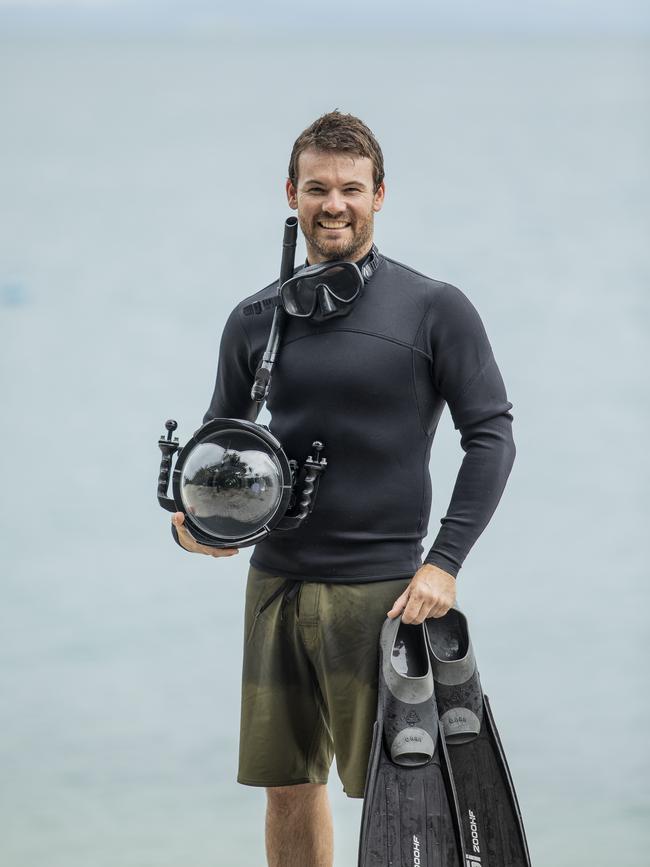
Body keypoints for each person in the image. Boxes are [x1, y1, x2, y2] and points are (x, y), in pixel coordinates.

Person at [170, 111, 515, 867]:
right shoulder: (254, 320)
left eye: (351, 189)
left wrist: (444, 562)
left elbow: (491, 433)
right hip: (277, 587)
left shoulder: (434, 308)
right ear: (290, 192)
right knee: (288, 786)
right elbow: (216, 449)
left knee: (408, 791)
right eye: (317, 187)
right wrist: (199, 526)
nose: (334, 204)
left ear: (380, 196)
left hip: (387, 594)